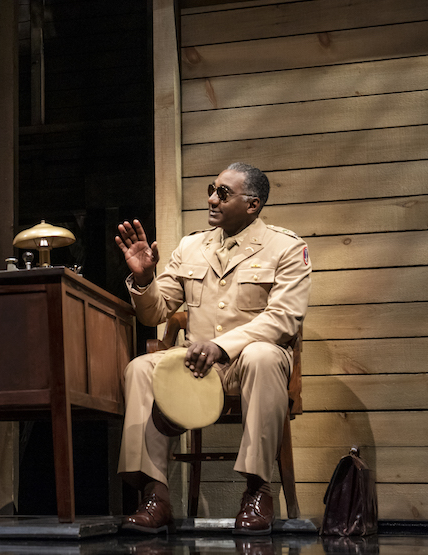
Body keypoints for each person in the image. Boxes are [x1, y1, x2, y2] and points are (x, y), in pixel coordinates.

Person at [115, 162, 311, 535]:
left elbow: (284, 319)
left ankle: (258, 490)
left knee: (263, 354)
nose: (212, 199)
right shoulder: (191, 246)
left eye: (223, 193)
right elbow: (155, 311)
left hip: (249, 362)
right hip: (197, 364)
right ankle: (156, 495)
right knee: (140, 367)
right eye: (212, 189)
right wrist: (144, 278)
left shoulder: (286, 247)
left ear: (252, 204)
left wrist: (222, 347)